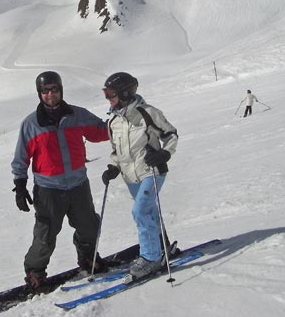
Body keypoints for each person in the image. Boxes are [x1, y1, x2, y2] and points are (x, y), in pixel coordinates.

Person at [11, 71, 111, 289]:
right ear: (40, 94)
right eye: (45, 91)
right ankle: (35, 272)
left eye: (54, 89)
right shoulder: (31, 124)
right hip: (49, 189)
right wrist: (20, 185)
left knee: (89, 226)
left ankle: (87, 257)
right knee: (45, 235)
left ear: (61, 90)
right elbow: (21, 158)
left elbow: (100, 131)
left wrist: (121, 121)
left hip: (78, 185)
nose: (50, 95)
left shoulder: (77, 115)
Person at [101, 72, 178, 279]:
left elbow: (170, 134)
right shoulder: (112, 122)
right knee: (149, 212)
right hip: (130, 177)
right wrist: (113, 167)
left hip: (151, 171)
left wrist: (164, 153)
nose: (108, 98)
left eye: (111, 94)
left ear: (125, 93)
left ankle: (150, 258)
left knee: (140, 211)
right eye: (106, 94)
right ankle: (161, 248)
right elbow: (117, 151)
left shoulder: (148, 113)